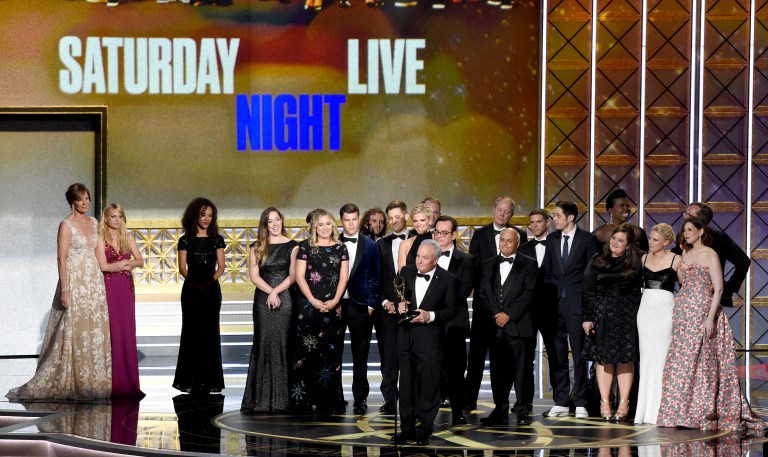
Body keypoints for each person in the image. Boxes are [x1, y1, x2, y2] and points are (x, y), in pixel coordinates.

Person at [657, 217, 766, 434]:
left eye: (690, 229)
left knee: (703, 363)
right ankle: (678, 412)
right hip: (684, 312)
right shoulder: (684, 254)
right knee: (680, 363)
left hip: (703, 311)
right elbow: (682, 281)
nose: (686, 233)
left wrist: (709, 318)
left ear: (701, 230)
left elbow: (717, 289)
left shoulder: (710, 254)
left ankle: (702, 411)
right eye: (684, 230)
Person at [6, 183, 112, 401]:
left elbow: (101, 259)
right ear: (72, 201)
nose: (85, 203)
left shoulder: (93, 223)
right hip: (74, 281)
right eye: (81, 199)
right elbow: (61, 259)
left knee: (92, 328)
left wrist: (123, 265)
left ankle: (93, 380)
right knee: (74, 328)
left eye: (88, 198)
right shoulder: (66, 225)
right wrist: (65, 289)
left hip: (93, 282)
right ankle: (73, 380)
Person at [393, 240, 458, 446]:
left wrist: (429, 315)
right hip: (405, 337)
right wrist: (400, 306)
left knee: (429, 384)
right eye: (418, 256)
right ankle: (407, 429)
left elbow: (452, 310)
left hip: (430, 339)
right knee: (406, 385)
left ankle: (425, 428)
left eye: (425, 258)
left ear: (436, 260)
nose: (419, 261)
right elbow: (398, 297)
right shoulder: (407, 272)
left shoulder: (448, 279)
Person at [465, 196, 528, 409]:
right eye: (499, 210)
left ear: (512, 214)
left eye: (507, 211)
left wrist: (508, 311)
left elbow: (523, 272)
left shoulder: (520, 235)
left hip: (510, 312)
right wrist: (484, 301)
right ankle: (469, 399)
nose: (502, 214)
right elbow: (473, 269)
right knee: (476, 356)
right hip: (484, 308)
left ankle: (504, 404)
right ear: (494, 209)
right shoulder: (480, 235)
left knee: (504, 360)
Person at [581, 224, 643, 421]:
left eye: (621, 240)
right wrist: (587, 317)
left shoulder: (637, 260)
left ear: (629, 245)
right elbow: (588, 289)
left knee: (626, 357)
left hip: (628, 313)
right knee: (604, 358)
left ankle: (624, 402)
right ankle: (605, 401)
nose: (615, 243)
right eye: (614, 238)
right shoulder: (598, 259)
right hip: (603, 312)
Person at [290, 209, 349, 415]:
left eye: (328, 224)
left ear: (333, 226)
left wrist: (334, 301)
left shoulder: (341, 248)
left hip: (334, 309)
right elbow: (299, 277)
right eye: (320, 224)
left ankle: (330, 401)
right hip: (308, 308)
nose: (325, 228)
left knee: (331, 355)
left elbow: (343, 278)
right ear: (314, 227)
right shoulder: (305, 247)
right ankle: (305, 401)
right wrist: (314, 301)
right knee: (307, 354)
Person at [543, 200, 598, 419]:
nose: (553, 219)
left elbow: (591, 275)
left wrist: (588, 310)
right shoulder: (551, 239)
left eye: (557, 215)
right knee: (556, 355)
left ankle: (581, 401)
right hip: (555, 305)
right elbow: (548, 271)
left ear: (570, 217)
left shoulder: (588, 239)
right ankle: (561, 400)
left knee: (579, 354)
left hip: (578, 305)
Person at [241, 207, 298, 414]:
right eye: (270, 221)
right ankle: (261, 399)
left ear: (282, 221)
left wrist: (277, 292)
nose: (274, 224)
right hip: (263, 300)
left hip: (285, 299)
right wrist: (270, 292)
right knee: (264, 343)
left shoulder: (293, 246)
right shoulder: (257, 246)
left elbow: (293, 276)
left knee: (284, 344)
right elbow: (254, 276)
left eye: (277, 220)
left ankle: (284, 400)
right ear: (265, 225)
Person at [478, 228, 538, 426]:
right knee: (497, 371)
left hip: (519, 326)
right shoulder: (488, 264)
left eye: (509, 241)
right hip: (495, 326)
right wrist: (498, 314)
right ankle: (500, 409)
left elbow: (529, 294)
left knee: (522, 370)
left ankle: (522, 409)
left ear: (517, 243)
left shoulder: (529, 264)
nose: (504, 244)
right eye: (502, 240)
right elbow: (484, 293)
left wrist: (509, 314)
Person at [173, 197, 226, 395]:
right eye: (203, 214)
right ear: (194, 214)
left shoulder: (217, 239)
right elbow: (181, 268)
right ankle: (191, 380)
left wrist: (209, 282)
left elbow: (221, 267)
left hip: (212, 290)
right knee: (191, 333)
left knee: (210, 333)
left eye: (210, 215)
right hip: (191, 291)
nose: (207, 219)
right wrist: (195, 283)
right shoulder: (185, 240)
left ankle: (210, 381)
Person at [95, 203, 145, 398]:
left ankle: (129, 382)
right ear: (106, 219)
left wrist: (127, 263)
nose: (117, 220)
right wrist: (122, 265)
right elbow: (103, 266)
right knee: (112, 332)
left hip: (126, 288)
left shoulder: (128, 237)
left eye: (120, 216)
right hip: (110, 287)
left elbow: (140, 261)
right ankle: (113, 383)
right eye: (114, 216)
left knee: (126, 331)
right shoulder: (100, 238)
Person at [634, 223, 680, 424]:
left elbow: (687, 286)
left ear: (666, 242)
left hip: (665, 310)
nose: (650, 242)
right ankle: (644, 411)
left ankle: (661, 410)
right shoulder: (643, 258)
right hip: (645, 310)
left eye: (654, 239)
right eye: (650, 239)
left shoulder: (676, 259)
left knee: (662, 359)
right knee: (646, 359)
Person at [338, 203, 381, 415]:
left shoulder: (371, 245)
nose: (351, 223)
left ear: (359, 220)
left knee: (360, 354)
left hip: (361, 305)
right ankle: (335, 395)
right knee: (333, 352)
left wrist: (372, 303)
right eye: (347, 220)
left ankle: (360, 398)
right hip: (335, 305)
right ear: (341, 221)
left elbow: (375, 276)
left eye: (354, 219)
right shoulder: (332, 242)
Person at [432, 215, 475, 425]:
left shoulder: (466, 260)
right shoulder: (424, 257)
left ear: (454, 235)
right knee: (430, 368)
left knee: (456, 370)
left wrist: (435, 303)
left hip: (454, 322)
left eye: (444, 233)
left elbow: (463, 291)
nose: (439, 236)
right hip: (429, 321)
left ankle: (458, 411)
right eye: (436, 232)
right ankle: (426, 412)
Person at [517, 209, 559, 414]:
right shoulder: (523, 248)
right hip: (527, 310)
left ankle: (560, 401)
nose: (534, 225)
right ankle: (523, 403)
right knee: (525, 357)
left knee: (556, 354)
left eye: (538, 222)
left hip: (553, 308)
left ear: (548, 222)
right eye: (531, 222)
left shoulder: (558, 244)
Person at [677, 202, 750, 307]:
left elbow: (743, 262)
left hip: (711, 299)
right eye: (685, 214)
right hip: (686, 298)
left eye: (689, 215)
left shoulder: (718, 237)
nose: (685, 217)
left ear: (701, 220)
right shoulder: (681, 236)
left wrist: (728, 289)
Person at [374, 200, 410, 414]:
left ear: (405, 215)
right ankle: (389, 399)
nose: (394, 220)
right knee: (389, 356)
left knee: (410, 354)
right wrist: (386, 302)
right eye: (391, 217)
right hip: (387, 309)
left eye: (398, 216)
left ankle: (409, 398)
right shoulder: (381, 244)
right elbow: (375, 278)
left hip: (412, 307)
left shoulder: (418, 240)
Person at [398, 204, 434, 270]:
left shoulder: (438, 241)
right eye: (415, 221)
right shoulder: (405, 244)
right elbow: (402, 273)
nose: (418, 224)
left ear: (430, 220)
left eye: (422, 220)